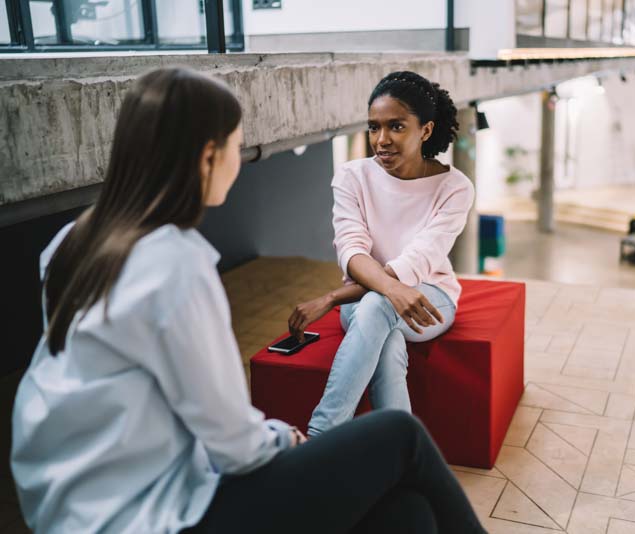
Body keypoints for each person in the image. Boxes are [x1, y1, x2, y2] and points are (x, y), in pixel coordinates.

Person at [11, 67, 485, 534]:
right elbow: (232, 441)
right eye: (237, 146)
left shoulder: (72, 241)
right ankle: (325, 432)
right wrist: (291, 441)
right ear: (207, 157)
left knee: (408, 516)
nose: (239, 161)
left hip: (71, 504)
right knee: (400, 437)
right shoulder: (174, 263)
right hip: (155, 512)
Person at [286, 71, 475, 437]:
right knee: (385, 340)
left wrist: (331, 297)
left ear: (425, 129)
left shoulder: (454, 188)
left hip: (429, 300)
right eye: (374, 127)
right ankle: (401, 456)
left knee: (378, 306)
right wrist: (389, 290)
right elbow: (352, 252)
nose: (382, 140)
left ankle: (320, 438)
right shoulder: (352, 176)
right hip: (371, 301)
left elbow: (416, 263)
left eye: (397, 127)